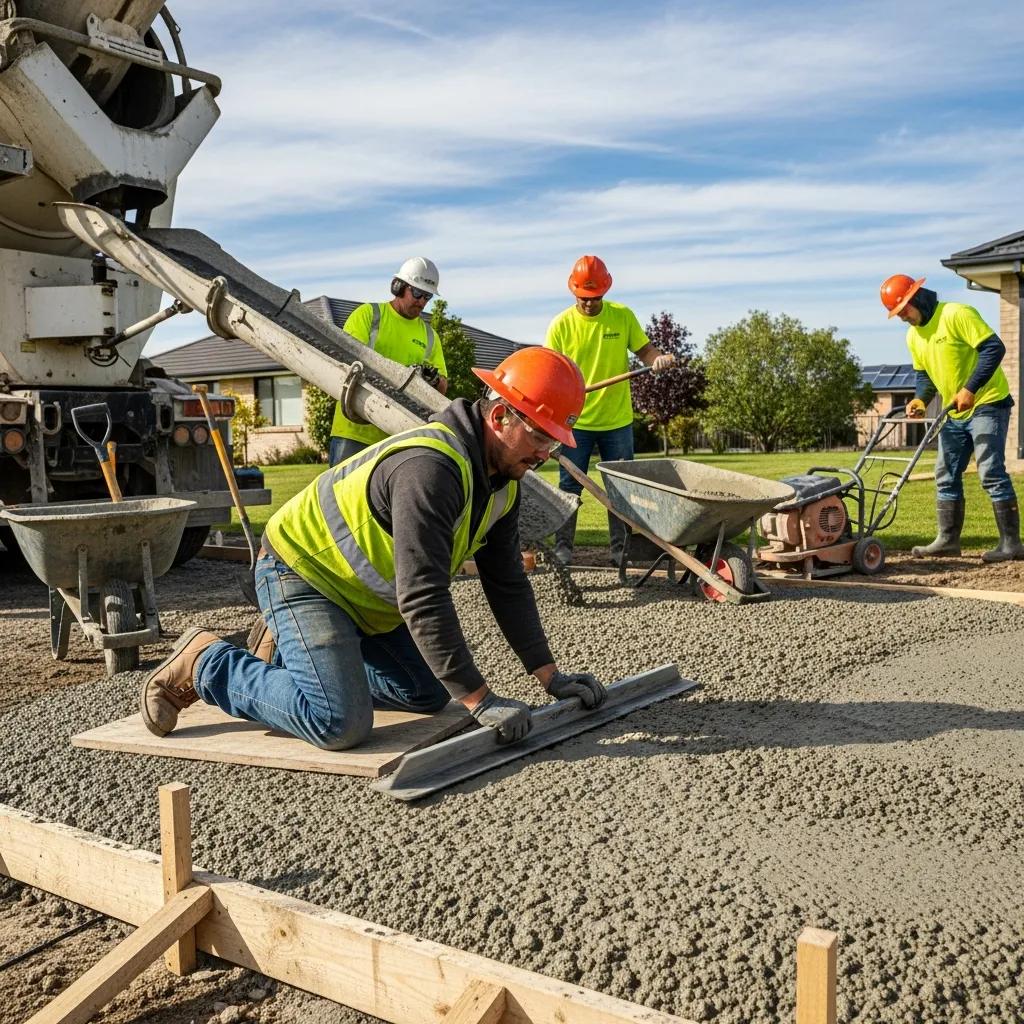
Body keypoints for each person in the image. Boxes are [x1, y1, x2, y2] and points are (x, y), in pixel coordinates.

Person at [139, 347, 607, 749]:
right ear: (501, 415)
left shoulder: (504, 481)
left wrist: (549, 676)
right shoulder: (431, 470)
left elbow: (507, 582)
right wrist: (480, 699)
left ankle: (291, 659)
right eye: (541, 435)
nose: (547, 453)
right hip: (302, 574)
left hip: (362, 600)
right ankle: (207, 661)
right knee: (339, 723)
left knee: (426, 695)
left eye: (555, 440)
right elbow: (422, 595)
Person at [880, 273, 1023, 562]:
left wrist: (970, 388)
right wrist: (921, 399)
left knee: (991, 472)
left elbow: (994, 348)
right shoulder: (913, 336)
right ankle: (947, 540)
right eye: (897, 313)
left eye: (903, 309)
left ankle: (1012, 545)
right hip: (954, 413)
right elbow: (924, 375)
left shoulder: (956, 314)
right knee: (945, 475)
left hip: (987, 402)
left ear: (916, 297)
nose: (902, 317)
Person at [544, 254, 675, 565]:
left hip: (616, 421)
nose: (590, 303)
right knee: (568, 487)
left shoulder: (622, 316)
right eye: (584, 297)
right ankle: (563, 551)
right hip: (576, 421)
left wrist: (656, 359)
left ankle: (621, 552)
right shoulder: (561, 325)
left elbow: (644, 350)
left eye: (596, 297)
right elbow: (551, 372)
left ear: (605, 291)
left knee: (620, 490)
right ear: (573, 291)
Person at [329, 256, 449, 467]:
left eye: (427, 296)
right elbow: (346, 360)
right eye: (418, 293)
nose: (421, 301)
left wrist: (431, 380)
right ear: (398, 287)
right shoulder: (369, 315)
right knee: (337, 496)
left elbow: (442, 387)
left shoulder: (430, 336)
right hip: (355, 431)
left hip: (398, 438)